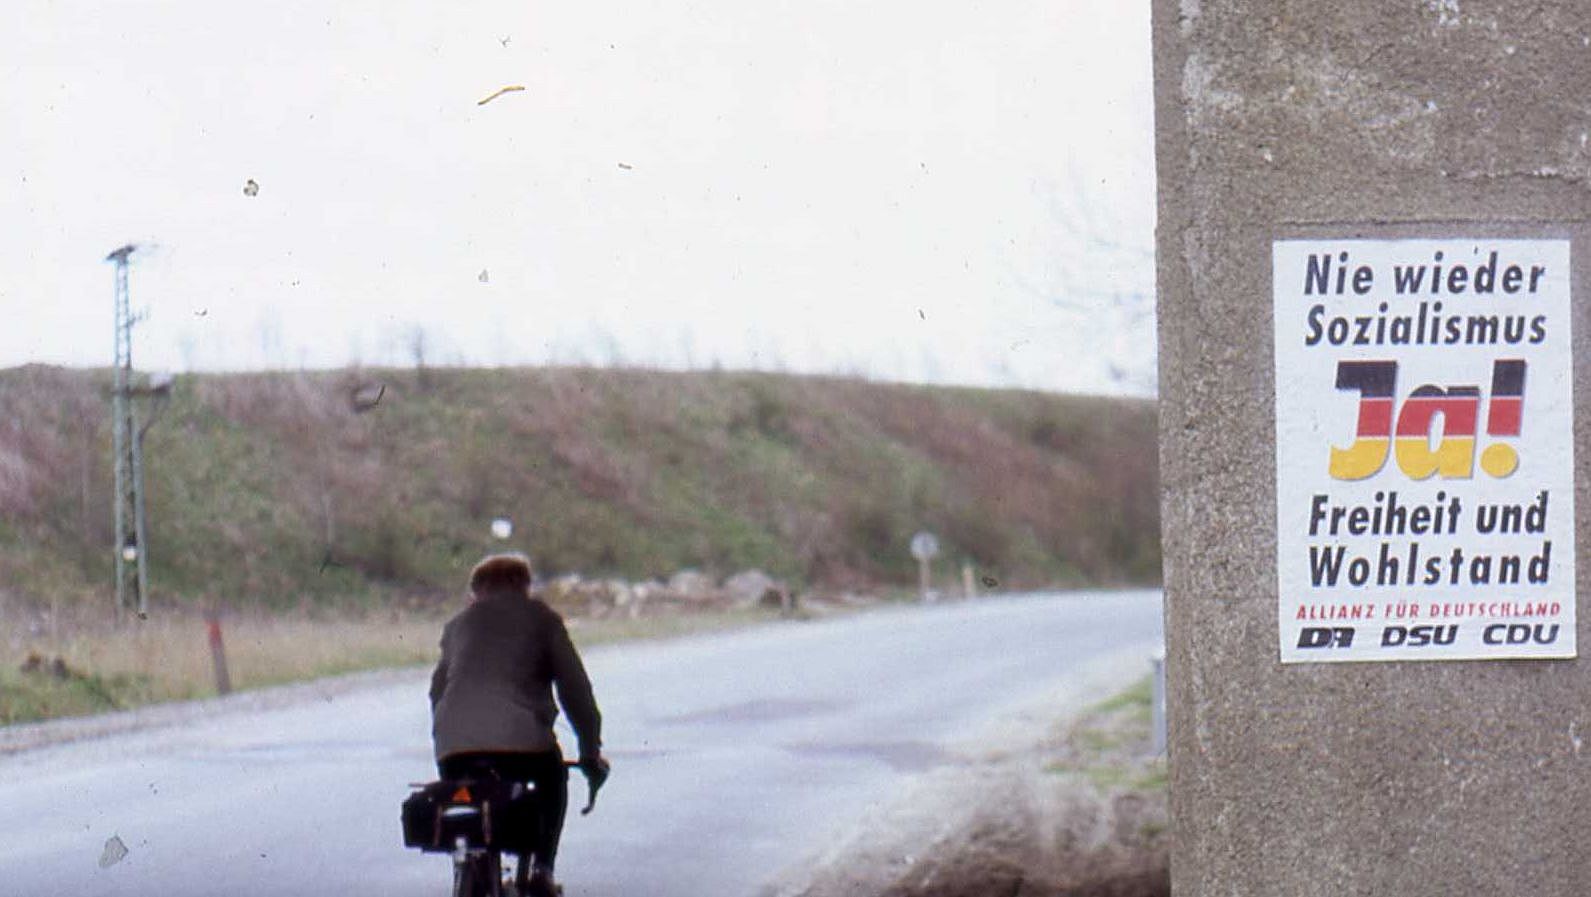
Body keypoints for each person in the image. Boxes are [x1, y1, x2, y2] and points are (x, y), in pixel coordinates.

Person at [430, 552, 609, 897]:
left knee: (468, 800)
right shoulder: (543, 620)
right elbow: (575, 691)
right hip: (522, 746)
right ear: (523, 586)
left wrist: (449, 744)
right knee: (553, 777)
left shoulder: (457, 625)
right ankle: (542, 868)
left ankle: (471, 866)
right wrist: (590, 749)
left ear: (477, 590)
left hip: (455, 749)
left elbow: (437, 693)